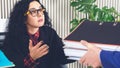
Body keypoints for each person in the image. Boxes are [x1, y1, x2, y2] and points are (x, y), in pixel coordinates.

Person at [1, 0, 74, 68]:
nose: (40, 14)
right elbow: (14, 65)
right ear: (23, 18)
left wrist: (79, 51)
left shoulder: (49, 33)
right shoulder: (13, 39)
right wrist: (31, 58)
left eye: (40, 10)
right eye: (33, 11)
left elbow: (61, 57)